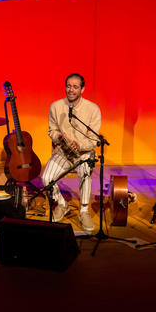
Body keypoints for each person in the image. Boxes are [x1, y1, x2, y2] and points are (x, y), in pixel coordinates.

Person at [41, 73, 100, 232]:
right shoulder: (55, 106)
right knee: (46, 178)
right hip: (63, 151)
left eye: (75, 87)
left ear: (82, 89)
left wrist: (79, 145)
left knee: (85, 174)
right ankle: (62, 204)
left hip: (83, 153)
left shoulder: (93, 109)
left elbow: (94, 139)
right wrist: (59, 137)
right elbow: (51, 131)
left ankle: (84, 211)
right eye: (68, 86)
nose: (71, 90)